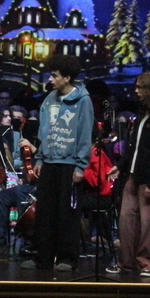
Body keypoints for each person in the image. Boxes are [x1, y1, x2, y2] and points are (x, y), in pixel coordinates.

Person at [21, 55, 94, 272]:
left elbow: (84, 134)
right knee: (45, 212)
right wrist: (41, 158)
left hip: (70, 164)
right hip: (50, 162)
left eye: (54, 75)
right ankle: (43, 258)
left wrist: (81, 166)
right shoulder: (49, 99)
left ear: (67, 77)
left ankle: (67, 258)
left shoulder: (83, 100)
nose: (50, 79)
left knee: (67, 213)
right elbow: (44, 131)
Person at [107, 72, 150, 277]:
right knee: (127, 221)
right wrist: (120, 166)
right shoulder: (143, 113)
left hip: (149, 179)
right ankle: (126, 261)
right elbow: (133, 147)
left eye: (140, 87)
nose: (136, 91)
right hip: (133, 174)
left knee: (149, 224)